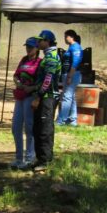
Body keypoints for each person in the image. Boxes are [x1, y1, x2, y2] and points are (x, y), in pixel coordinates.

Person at [31, 29, 61, 172]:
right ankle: (40, 158)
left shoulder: (51, 57)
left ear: (47, 41)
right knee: (38, 128)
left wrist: (38, 96)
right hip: (45, 97)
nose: (37, 42)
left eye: (40, 40)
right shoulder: (48, 55)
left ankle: (45, 161)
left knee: (45, 129)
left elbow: (48, 80)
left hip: (47, 98)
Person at [10, 36, 41, 169]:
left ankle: (29, 158)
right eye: (27, 47)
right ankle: (18, 158)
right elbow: (16, 75)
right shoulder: (23, 59)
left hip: (30, 97)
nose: (28, 49)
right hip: (20, 97)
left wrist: (32, 88)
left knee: (29, 128)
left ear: (37, 48)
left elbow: (42, 83)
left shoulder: (40, 63)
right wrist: (17, 82)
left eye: (31, 47)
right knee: (16, 127)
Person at [56, 29, 83, 126]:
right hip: (69, 74)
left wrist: (70, 76)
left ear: (71, 37)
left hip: (71, 74)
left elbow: (75, 62)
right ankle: (72, 120)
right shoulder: (71, 47)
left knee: (67, 97)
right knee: (71, 97)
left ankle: (61, 120)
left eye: (65, 36)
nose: (64, 38)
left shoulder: (75, 47)